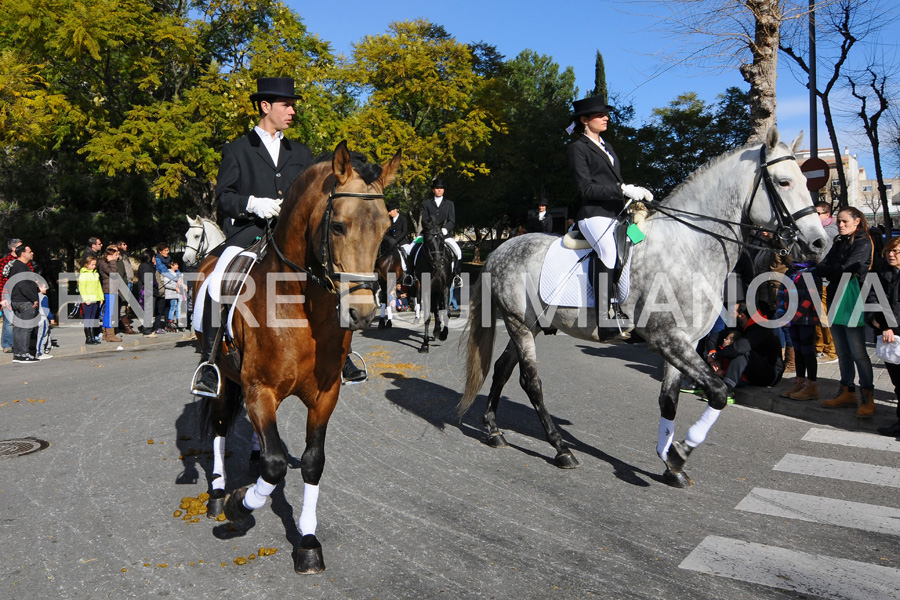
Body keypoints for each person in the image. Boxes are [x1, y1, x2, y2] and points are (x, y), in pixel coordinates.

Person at [194, 77, 364, 394]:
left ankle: (344, 355)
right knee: (215, 280)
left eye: (293, 105)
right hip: (249, 234)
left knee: (334, 275)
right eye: (287, 105)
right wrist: (252, 204)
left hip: (292, 240)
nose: (292, 111)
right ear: (265, 106)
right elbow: (224, 198)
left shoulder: (300, 152)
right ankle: (209, 363)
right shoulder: (237, 150)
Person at [566, 95, 653, 328]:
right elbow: (585, 188)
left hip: (617, 215)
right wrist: (622, 189)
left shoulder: (608, 147)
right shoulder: (577, 149)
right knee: (608, 250)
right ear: (584, 120)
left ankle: (634, 304)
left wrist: (634, 196)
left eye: (606, 114)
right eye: (600, 115)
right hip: (593, 215)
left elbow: (616, 181)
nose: (606, 118)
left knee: (640, 241)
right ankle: (605, 314)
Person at [813, 206, 874, 416]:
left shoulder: (864, 242)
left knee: (858, 352)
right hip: (834, 296)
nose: (840, 225)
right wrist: (827, 268)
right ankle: (847, 391)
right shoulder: (839, 241)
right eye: (838, 221)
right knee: (842, 350)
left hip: (853, 299)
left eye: (845, 221)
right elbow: (827, 264)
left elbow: (847, 268)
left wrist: (826, 268)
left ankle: (867, 396)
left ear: (857, 221)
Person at [705, 302, 785, 398]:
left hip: (770, 374)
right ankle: (708, 379)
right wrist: (712, 353)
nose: (730, 314)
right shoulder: (741, 325)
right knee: (724, 344)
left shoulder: (761, 329)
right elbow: (715, 337)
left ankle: (726, 390)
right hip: (752, 369)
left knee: (742, 352)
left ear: (742, 316)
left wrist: (715, 356)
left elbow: (738, 349)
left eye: (733, 311)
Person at [865, 235, 900, 433]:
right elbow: (870, 299)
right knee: (897, 382)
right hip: (887, 336)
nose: (891, 255)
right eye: (888, 251)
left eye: (895, 251)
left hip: (894, 332)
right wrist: (876, 322)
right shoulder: (880, 273)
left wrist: (889, 327)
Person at [777, 259, 821, 400]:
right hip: (791, 319)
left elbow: (812, 296)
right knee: (797, 350)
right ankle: (800, 381)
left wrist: (795, 315)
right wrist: (781, 313)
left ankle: (811, 385)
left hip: (806, 318)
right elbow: (781, 294)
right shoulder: (790, 272)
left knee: (807, 350)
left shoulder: (813, 272)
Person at [419, 178, 462, 278]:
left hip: (444, 234)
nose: (439, 190)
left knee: (458, 252)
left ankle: (456, 276)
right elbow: (424, 220)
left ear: (444, 190)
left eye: (441, 188)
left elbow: (452, 221)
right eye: (437, 188)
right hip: (429, 235)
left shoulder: (449, 204)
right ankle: (410, 275)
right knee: (411, 249)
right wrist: (431, 230)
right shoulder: (427, 204)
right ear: (433, 190)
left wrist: (445, 229)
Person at [814, 202, 839, 364]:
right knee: (817, 316)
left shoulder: (829, 232)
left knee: (824, 317)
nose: (816, 217)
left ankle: (832, 350)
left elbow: (821, 256)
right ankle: (820, 347)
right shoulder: (819, 231)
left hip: (825, 281)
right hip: (816, 278)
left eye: (819, 213)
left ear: (828, 215)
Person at [7, 244, 41, 363]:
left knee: (19, 328)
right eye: (30, 251)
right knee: (26, 328)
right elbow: (22, 285)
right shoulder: (21, 267)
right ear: (23, 253)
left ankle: (18, 353)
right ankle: (24, 354)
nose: (32, 253)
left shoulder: (16, 266)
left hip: (17, 300)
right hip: (25, 301)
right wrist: (33, 298)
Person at [0, 238, 23, 353]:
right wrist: (2, 298)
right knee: (9, 320)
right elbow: (1, 280)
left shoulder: (24, 260)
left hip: (21, 293)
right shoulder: (4, 262)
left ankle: (21, 343)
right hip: (8, 294)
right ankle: (7, 344)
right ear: (14, 248)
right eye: (20, 246)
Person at [136, 249, 165, 337]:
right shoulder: (146, 267)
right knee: (148, 311)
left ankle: (147, 328)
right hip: (148, 292)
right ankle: (147, 331)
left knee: (148, 311)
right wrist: (155, 289)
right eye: (154, 257)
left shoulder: (145, 266)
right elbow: (149, 280)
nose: (154, 259)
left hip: (148, 291)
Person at [97, 244, 122, 342]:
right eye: (115, 254)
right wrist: (112, 261)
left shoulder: (108, 262)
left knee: (109, 311)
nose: (117, 256)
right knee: (109, 312)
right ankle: (109, 334)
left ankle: (106, 334)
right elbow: (113, 272)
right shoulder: (104, 263)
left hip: (112, 288)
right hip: (109, 289)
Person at [78, 255, 103, 345]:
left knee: (93, 319)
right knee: (88, 319)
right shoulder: (84, 275)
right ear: (86, 265)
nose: (94, 266)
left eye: (95, 265)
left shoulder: (95, 274)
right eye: (92, 265)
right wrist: (86, 299)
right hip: (88, 300)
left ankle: (92, 336)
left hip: (95, 299)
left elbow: (98, 287)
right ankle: (88, 337)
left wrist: (100, 297)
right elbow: (82, 288)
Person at [116, 240, 137, 334]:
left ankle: (122, 324)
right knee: (122, 304)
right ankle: (125, 326)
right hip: (125, 282)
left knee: (124, 304)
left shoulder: (125, 256)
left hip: (129, 281)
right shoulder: (119, 257)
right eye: (123, 244)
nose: (126, 246)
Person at [162, 258, 185, 330]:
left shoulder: (178, 274)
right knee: (173, 307)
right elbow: (166, 284)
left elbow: (181, 282)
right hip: (172, 293)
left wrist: (184, 286)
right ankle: (170, 321)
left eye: (177, 264)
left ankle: (179, 321)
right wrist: (175, 287)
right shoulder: (168, 274)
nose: (177, 266)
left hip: (179, 293)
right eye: (175, 264)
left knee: (179, 307)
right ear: (171, 265)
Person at [35, 283, 55, 359]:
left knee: (41, 334)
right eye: (44, 287)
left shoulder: (35, 296)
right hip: (43, 318)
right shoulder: (44, 297)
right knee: (43, 335)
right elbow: (46, 309)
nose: (46, 289)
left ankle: (44, 349)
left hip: (37, 318)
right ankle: (40, 352)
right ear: (39, 288)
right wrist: (51, 318)